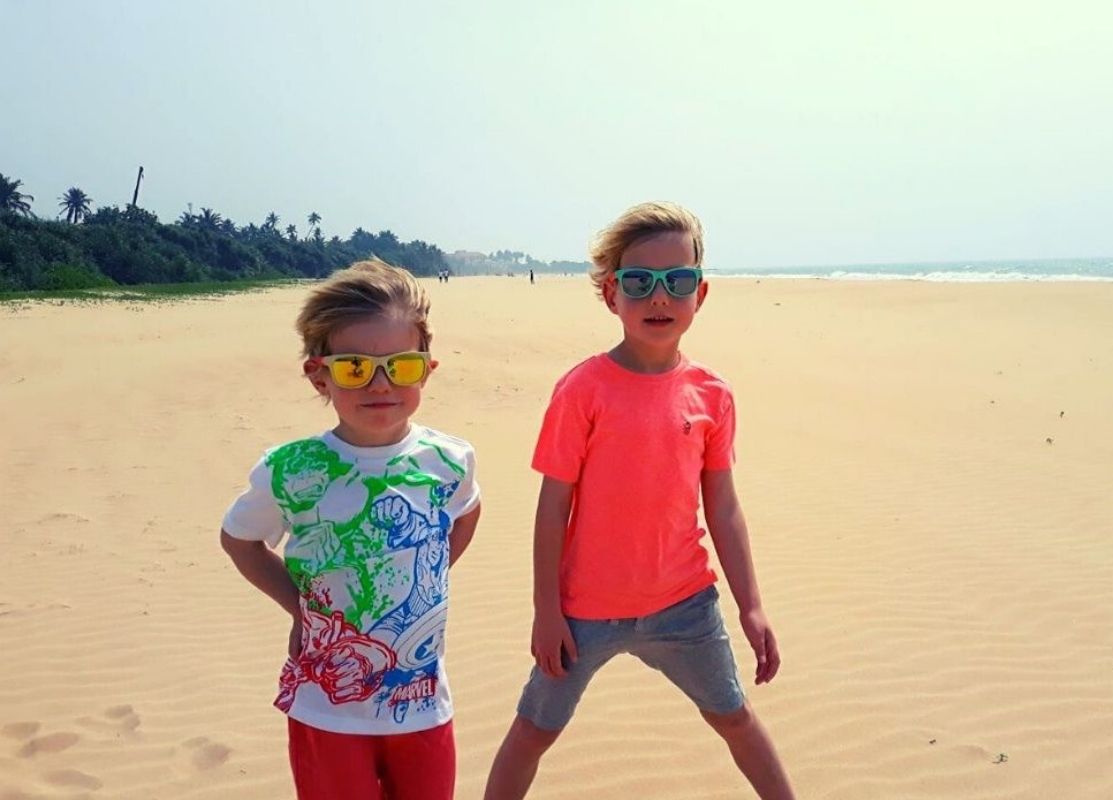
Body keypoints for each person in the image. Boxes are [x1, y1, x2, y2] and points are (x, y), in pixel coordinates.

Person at [484, 202, 795, 799]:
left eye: (677, 282)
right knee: (534, 729)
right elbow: (553, 508)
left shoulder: (711, 395)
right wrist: (546, 611)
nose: (659, 297)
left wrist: (750, 605)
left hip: (684, 605)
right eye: (639, 282)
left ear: (699, 295)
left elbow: (723, 507)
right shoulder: (582, 390)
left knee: (733, 716)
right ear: (611, 295)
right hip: (583, 612)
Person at [220, 258, 481, 799]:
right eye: (356, 368)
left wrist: (424, 576)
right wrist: (301, 607)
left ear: (427, 368)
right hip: (326, 708)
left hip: (422, 702)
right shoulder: (292, 470)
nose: (382, 383)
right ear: (320, 374)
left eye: (401, 366)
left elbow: (465, 514)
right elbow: (240, 540)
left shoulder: (449, 459)